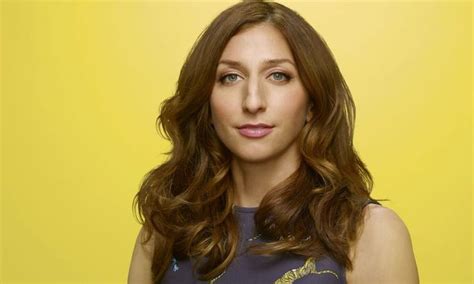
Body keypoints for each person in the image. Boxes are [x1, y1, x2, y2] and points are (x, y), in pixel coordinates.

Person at [128, 1, 419, 283]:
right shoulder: (164, 232)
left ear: (313, 103)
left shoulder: (369, 233)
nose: (253, 101)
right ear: (206, 102)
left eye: (278, 76)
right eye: (230, 77)